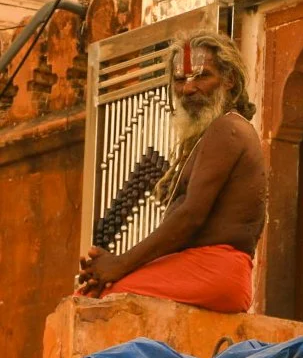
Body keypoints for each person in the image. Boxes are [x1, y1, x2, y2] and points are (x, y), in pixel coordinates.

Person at [76, 31, 266, 313]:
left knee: (103, 301)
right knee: (93, 291)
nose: (188, 89)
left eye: (202, 76)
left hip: (215, 270)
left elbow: (190, 216)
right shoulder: (213, 134)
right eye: (180, 80)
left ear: (229, 81)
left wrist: (118, 265)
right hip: (203, 270)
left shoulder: (228, 129)